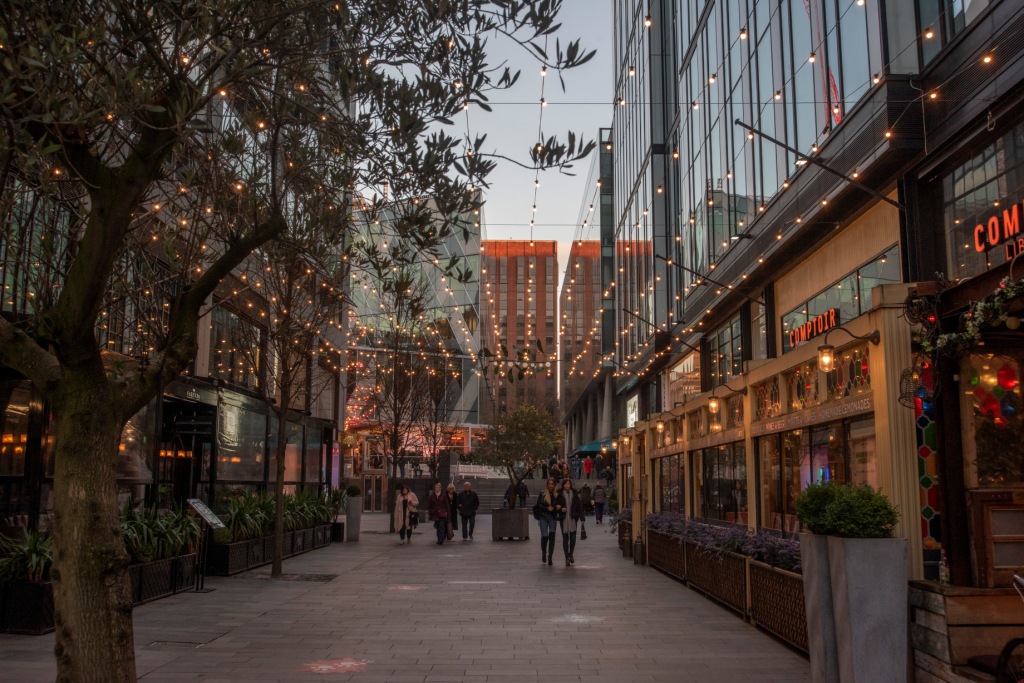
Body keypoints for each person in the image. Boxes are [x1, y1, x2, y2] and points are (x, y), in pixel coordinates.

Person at [532, 478, 560, 566]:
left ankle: (550, 557)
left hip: (552, 518)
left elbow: (560, 505)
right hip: (543, 517)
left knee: (552, 537)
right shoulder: (543, 493)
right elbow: (538, 505)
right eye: (549, 484)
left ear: (554, 485)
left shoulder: (557, 495)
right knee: (545, 536)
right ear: (547, 485)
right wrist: (547, 508)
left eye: (552, 484)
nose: (551, 485)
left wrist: (556, 508)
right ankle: (544, 553)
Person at [556, 478, 583, 566]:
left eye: (568, 484)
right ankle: (566, 557)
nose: (567, 485)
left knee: (573, 538)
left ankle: (571, 554)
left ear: (570, 485)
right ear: (563, 485)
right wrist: (560, 509)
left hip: (573, 518)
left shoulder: (575, 493)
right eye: (565, 484)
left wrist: (582, 518)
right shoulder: (559, 494)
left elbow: (579, 506)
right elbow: (555, 505)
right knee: (565, 539)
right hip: (563, 518)